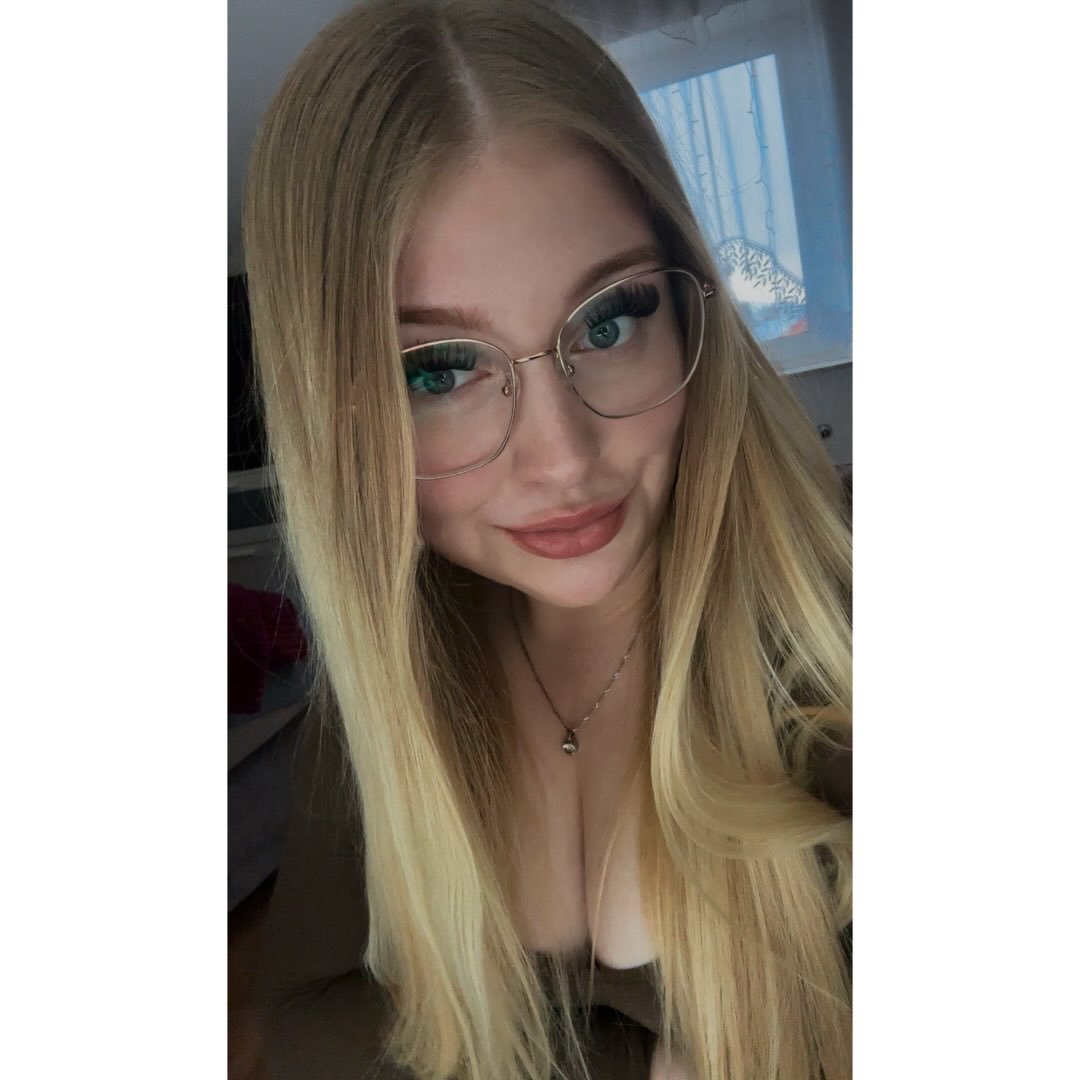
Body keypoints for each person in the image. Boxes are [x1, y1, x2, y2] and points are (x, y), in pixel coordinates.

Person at [243, 1, 852, 1077]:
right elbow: (295, 1025)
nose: (564, 458)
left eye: (609, 320)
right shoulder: (392, 674)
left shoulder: (842, 640)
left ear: (685, 300)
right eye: (439, 371)